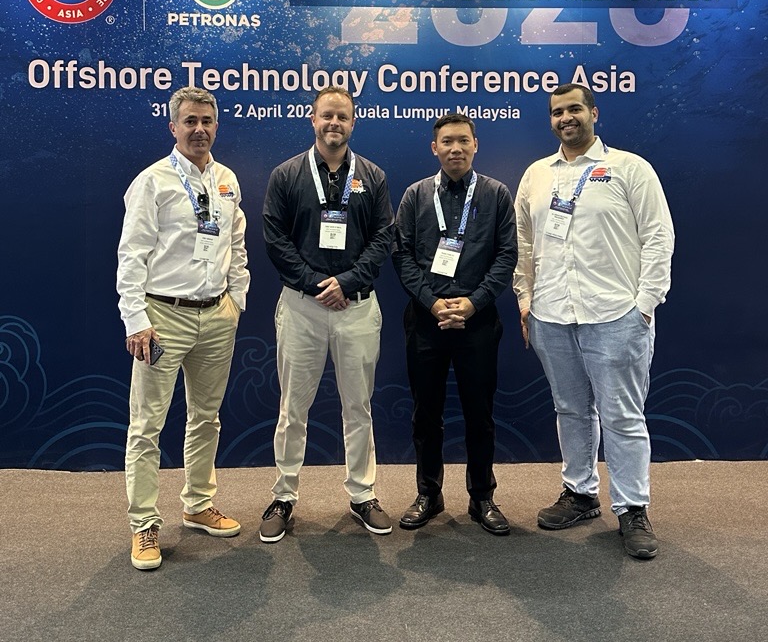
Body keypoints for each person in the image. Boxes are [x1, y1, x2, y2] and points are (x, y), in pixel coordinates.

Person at [513, 83, 674, 560]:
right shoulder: (536, 175)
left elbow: (658, 237)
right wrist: (525, 299)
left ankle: (632, 508)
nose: (566, 118)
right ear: (550, 120)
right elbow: (523, 243)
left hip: (615, 315)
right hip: (551, 314)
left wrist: (644, 304)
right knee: (570, 409)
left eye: (574, 109)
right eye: (557, 112)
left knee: (622, 415)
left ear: (594, 113)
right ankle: (580, 493)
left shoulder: (630, 168)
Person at [117, 86, 249, 570]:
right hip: (162, 318)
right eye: (190, 121)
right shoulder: (152, 181)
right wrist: (136, 320)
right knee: (147, 425)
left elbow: (237, 244)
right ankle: (144, 523)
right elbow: (131, 255)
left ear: (216, 126)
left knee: (206, 417)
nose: (199, 129)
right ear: (173, 127)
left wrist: (236, 300)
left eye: (206, 121)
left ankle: (197, 503)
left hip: (216, 315)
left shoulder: (227, 180)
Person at [260, 86, 395, 541]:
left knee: (358, 406)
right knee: (292, 408)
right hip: (302, 308)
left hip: (357, 308)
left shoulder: (372, 176)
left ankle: (362, 494)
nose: (334, 123)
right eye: (327, 115)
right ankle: (283, 495)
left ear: (353, 123)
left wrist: (348, 282)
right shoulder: (286, 174)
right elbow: (275, 239)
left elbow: (382, 238)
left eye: (342, 116)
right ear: (312, 119)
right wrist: (317, 283)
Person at [392, 113, 518, 535]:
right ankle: (429, 494)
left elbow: (506, 255)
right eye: (447, 141)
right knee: (425, 414)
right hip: (426, 320)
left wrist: (472, 303)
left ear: (475, 145)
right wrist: (432, 303)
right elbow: (402, 256)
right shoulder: (415, 196)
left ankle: (482, 497)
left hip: (477, 322)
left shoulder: (496, 194)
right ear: (435, 148)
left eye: (463, 140)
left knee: (479, 414)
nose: (455, 148)